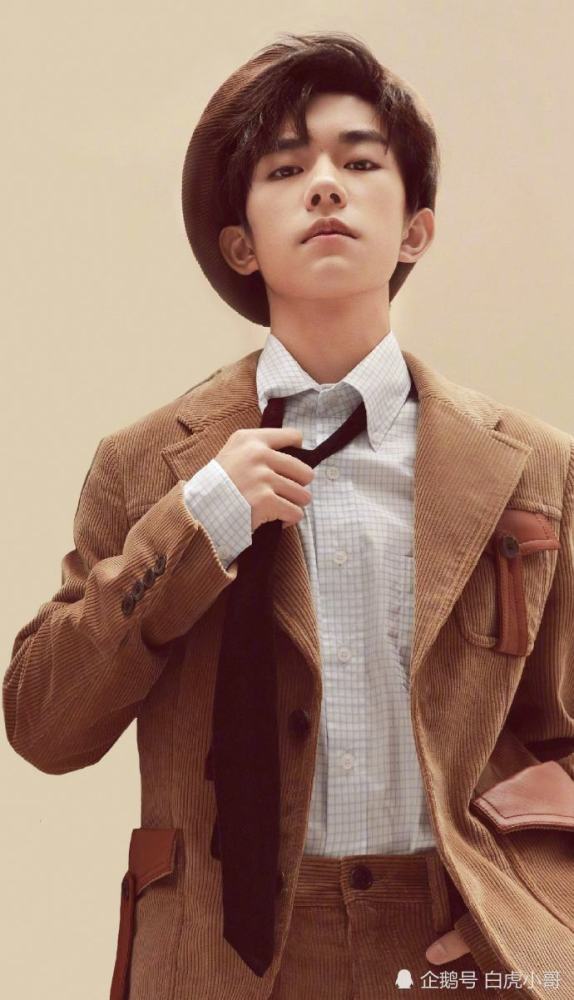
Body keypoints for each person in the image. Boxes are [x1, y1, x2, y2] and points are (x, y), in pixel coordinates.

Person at [4, 30, 574, 1000]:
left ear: (415, 228)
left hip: (458, 944)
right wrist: (197, 521)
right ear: (241, 241)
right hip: (223, 956)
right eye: (285, 168)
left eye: (360, 161)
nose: (325, 187)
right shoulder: (147, 464)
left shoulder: (531, 466)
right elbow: (44, 724)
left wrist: (529, 914)